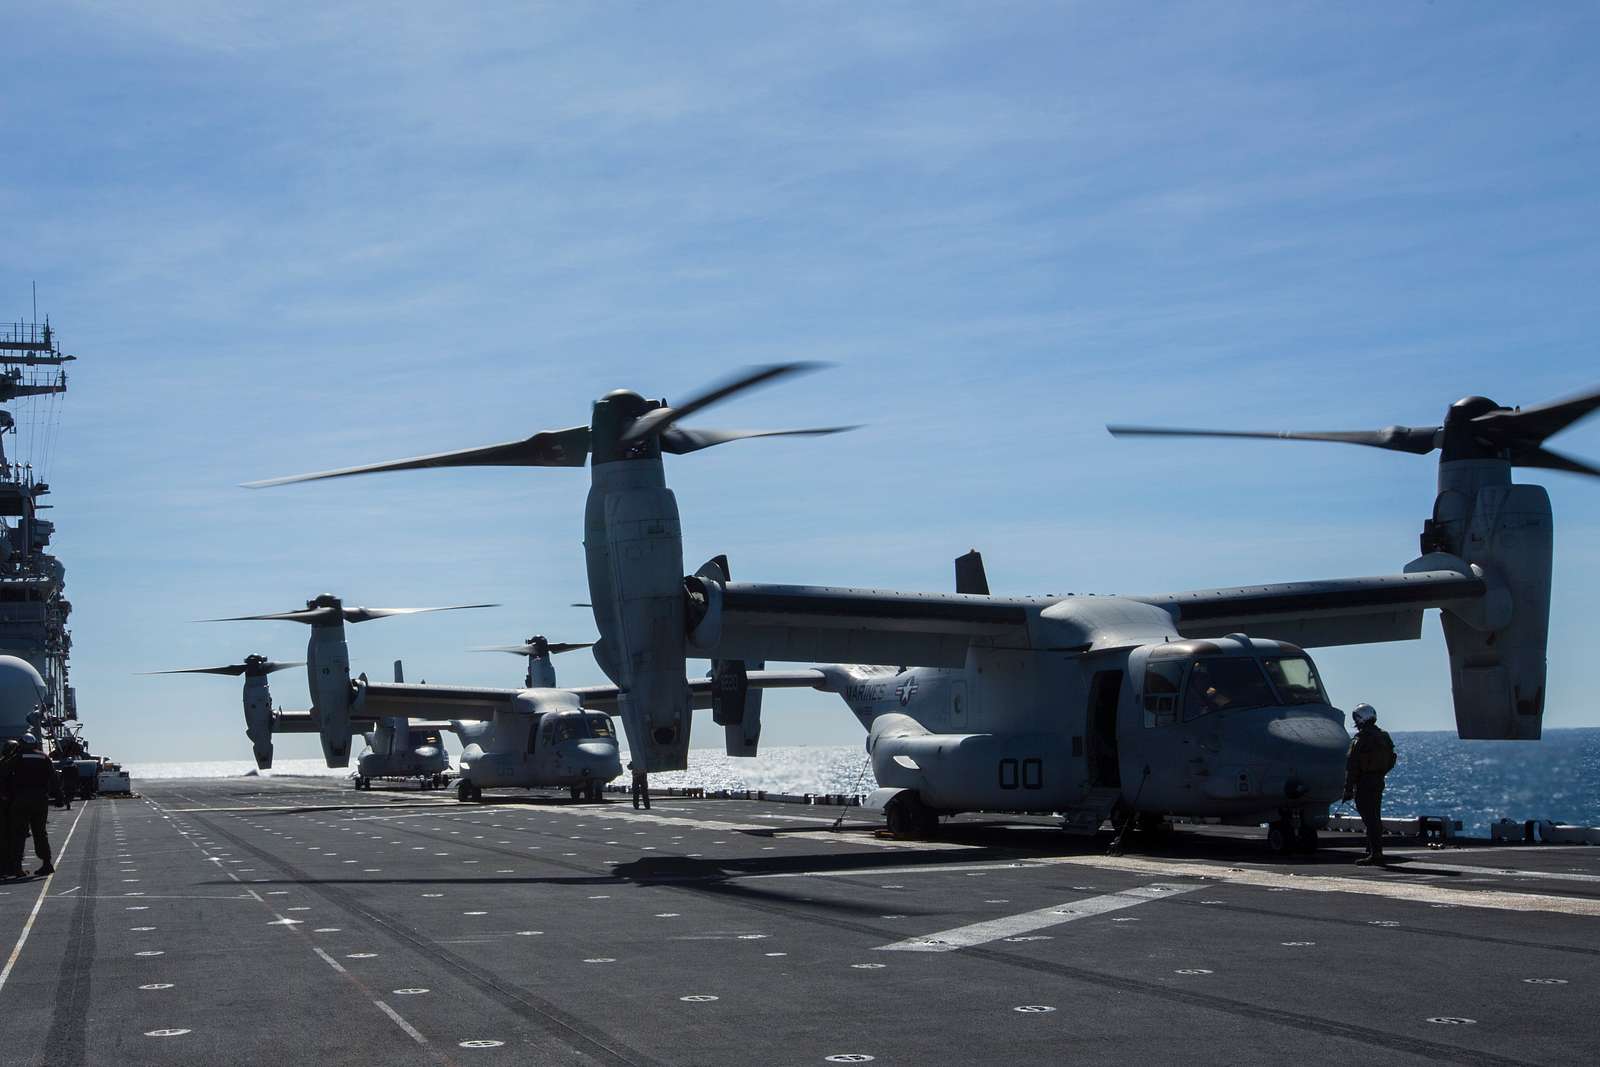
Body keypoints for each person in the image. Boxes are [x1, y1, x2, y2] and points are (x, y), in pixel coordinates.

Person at [1, 733, 64, 877]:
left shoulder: (18, 757)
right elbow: (54, 779)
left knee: (19, 833)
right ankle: (47, 863)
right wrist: (60, 797)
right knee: (40, 833)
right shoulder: (44, 757)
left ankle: (17, 867)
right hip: (41, 800)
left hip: (21, 799)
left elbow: (3, 771)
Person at [1343, 703, 1396, 866]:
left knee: (1369, 818)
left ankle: (1376, 853)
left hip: (1365, 782)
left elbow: (1352, 766)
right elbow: (1391, 759)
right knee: (1375, 816)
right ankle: (1373, 849)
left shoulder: (1360, 739)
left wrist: (1348, 790)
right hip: (1378, 780)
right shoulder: (1384, 736)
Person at [0, 739, 19, 879]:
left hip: (9, 802)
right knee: (13, 836)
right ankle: (11, 867)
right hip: (10, 803)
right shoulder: (12, 763)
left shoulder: (5, 762)